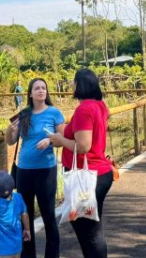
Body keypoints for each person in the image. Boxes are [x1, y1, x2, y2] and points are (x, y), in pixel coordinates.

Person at [47, 69, 114, 258]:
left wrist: (59, 140)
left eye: (74, 82)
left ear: (80, 85)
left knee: (88, 232)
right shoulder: (100, 105)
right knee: (94, 229)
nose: (72, 86)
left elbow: (83, 146)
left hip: (87, 175)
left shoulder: (84, 109)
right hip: (99, 172)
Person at [5, 78, 65, 258]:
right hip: (24, 170)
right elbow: (10, 141)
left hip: (46, 170)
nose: (41, 91)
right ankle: (28, 255)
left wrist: (50, 140)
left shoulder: (54, 113)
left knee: (48, 214)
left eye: (44, 88)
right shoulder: (24, 114)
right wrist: (11, 129)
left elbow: (62, 139)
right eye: (37, 88)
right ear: (30, 93)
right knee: (25, 215)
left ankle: (52, 254)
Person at [0, 170, 30, 258]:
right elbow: (24, 214)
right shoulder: (18, 197)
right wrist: (27, 229)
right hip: (16, 247)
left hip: (2, 250)